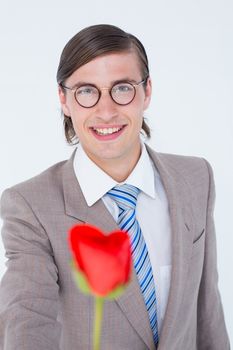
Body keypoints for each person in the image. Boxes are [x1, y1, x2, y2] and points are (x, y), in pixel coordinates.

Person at [0, 24, 230, 350]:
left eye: (122, 89)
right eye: (86, 91)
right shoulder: (30, 206)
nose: (106, 112)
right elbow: (26, 316)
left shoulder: (196, 178)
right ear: (63, 99)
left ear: (147, 92)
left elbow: (208, 313)